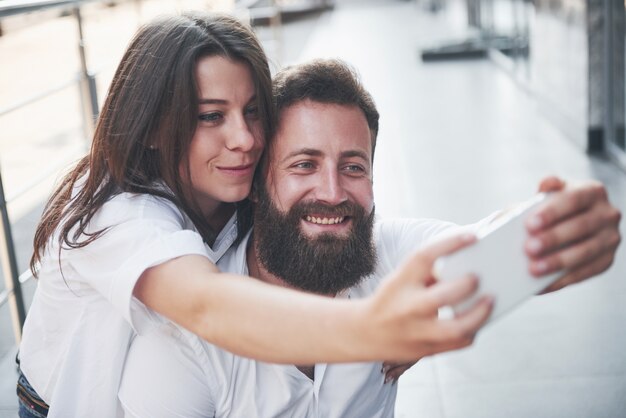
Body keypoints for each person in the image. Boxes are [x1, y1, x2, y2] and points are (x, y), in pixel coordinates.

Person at [15, 12, 511, 418]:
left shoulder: (237, 197)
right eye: (211, 116)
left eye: (252, 112)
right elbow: (208, 305)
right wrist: (380, 328)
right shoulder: (120, 216)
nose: (246, 138)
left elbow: (478, 247)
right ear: (152, 127)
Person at [117, 58, 622, 417]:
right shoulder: (179, 343)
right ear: (256, 184)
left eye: (353, 167)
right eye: (304, 165)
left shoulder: (391, 254)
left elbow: (497, 246)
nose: (332, 192)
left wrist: (571, 221)